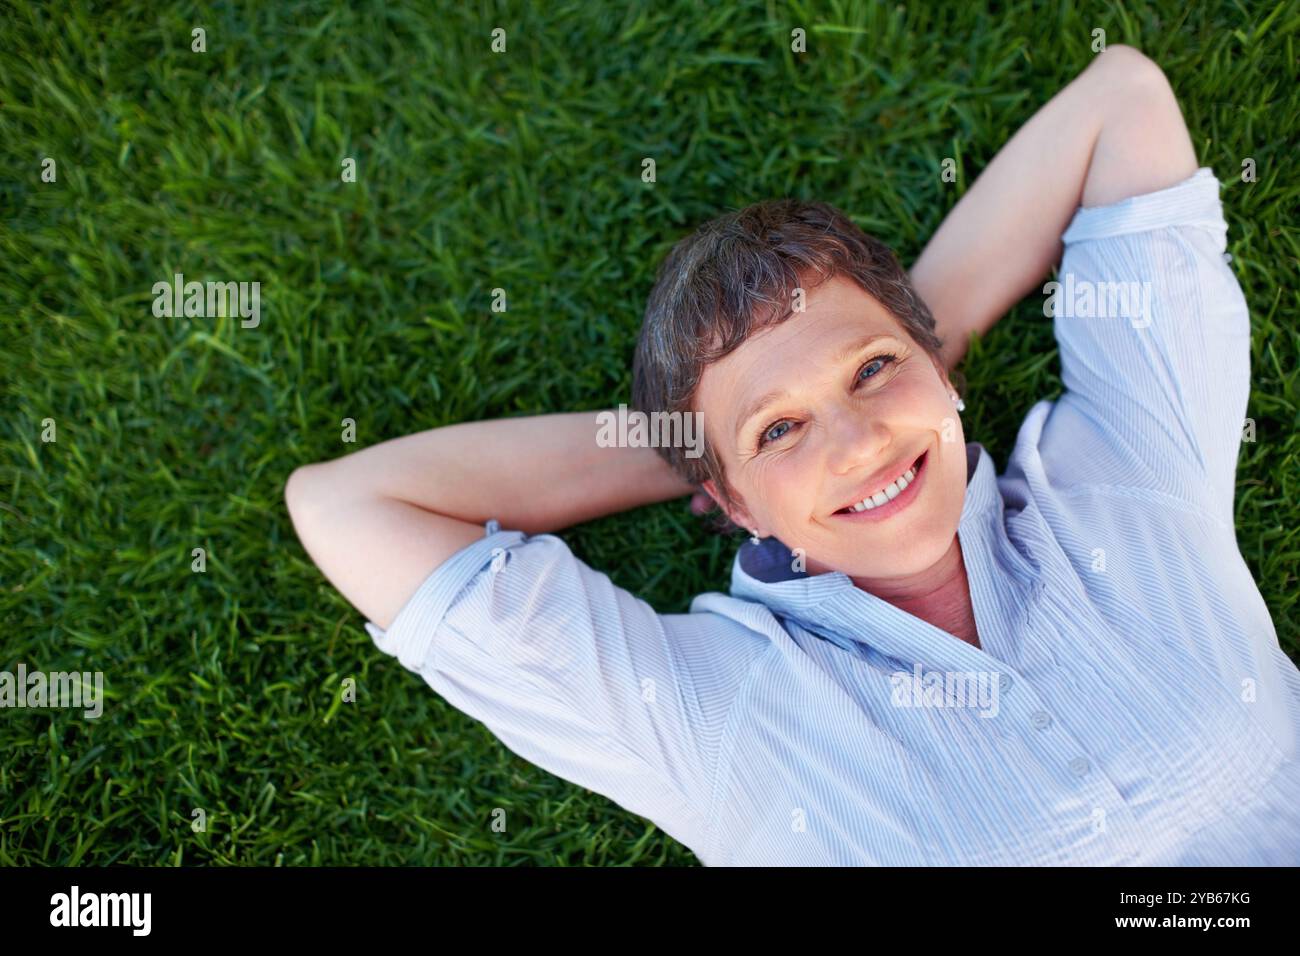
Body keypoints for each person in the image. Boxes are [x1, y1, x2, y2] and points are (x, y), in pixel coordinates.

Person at [285, 45, 1300, 865]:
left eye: (872, 371)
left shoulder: (1124, 476)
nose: (857, 443)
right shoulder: (723, 713)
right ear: (731, 503)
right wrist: (693, 448)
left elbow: (1118, 102)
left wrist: (906, 357)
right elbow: (348, 504)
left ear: (939, 367)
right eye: (779, 430)